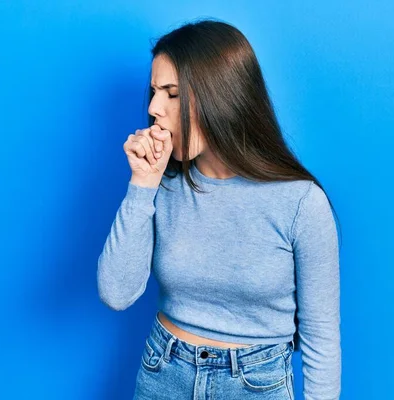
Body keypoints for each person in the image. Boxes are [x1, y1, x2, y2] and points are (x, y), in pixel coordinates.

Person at [97, 18, 342, 400]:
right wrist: (142, 184)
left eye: (172, 93)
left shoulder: (301, 203)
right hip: (163, 374)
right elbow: (116, 293)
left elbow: (321, 339)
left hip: (256, 385)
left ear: (221, 95)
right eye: (153, 93)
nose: (154, 108)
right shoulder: (163, 185)